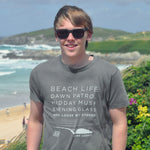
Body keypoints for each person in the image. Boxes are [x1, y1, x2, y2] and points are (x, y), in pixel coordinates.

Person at [27, 5, 129, 150]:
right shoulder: (39, 73)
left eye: (78, 32)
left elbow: (119, 123)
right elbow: (35, 120)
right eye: (63, 33)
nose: (70, 38)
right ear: (56, 36)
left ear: (88, 35)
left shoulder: (109, 73)